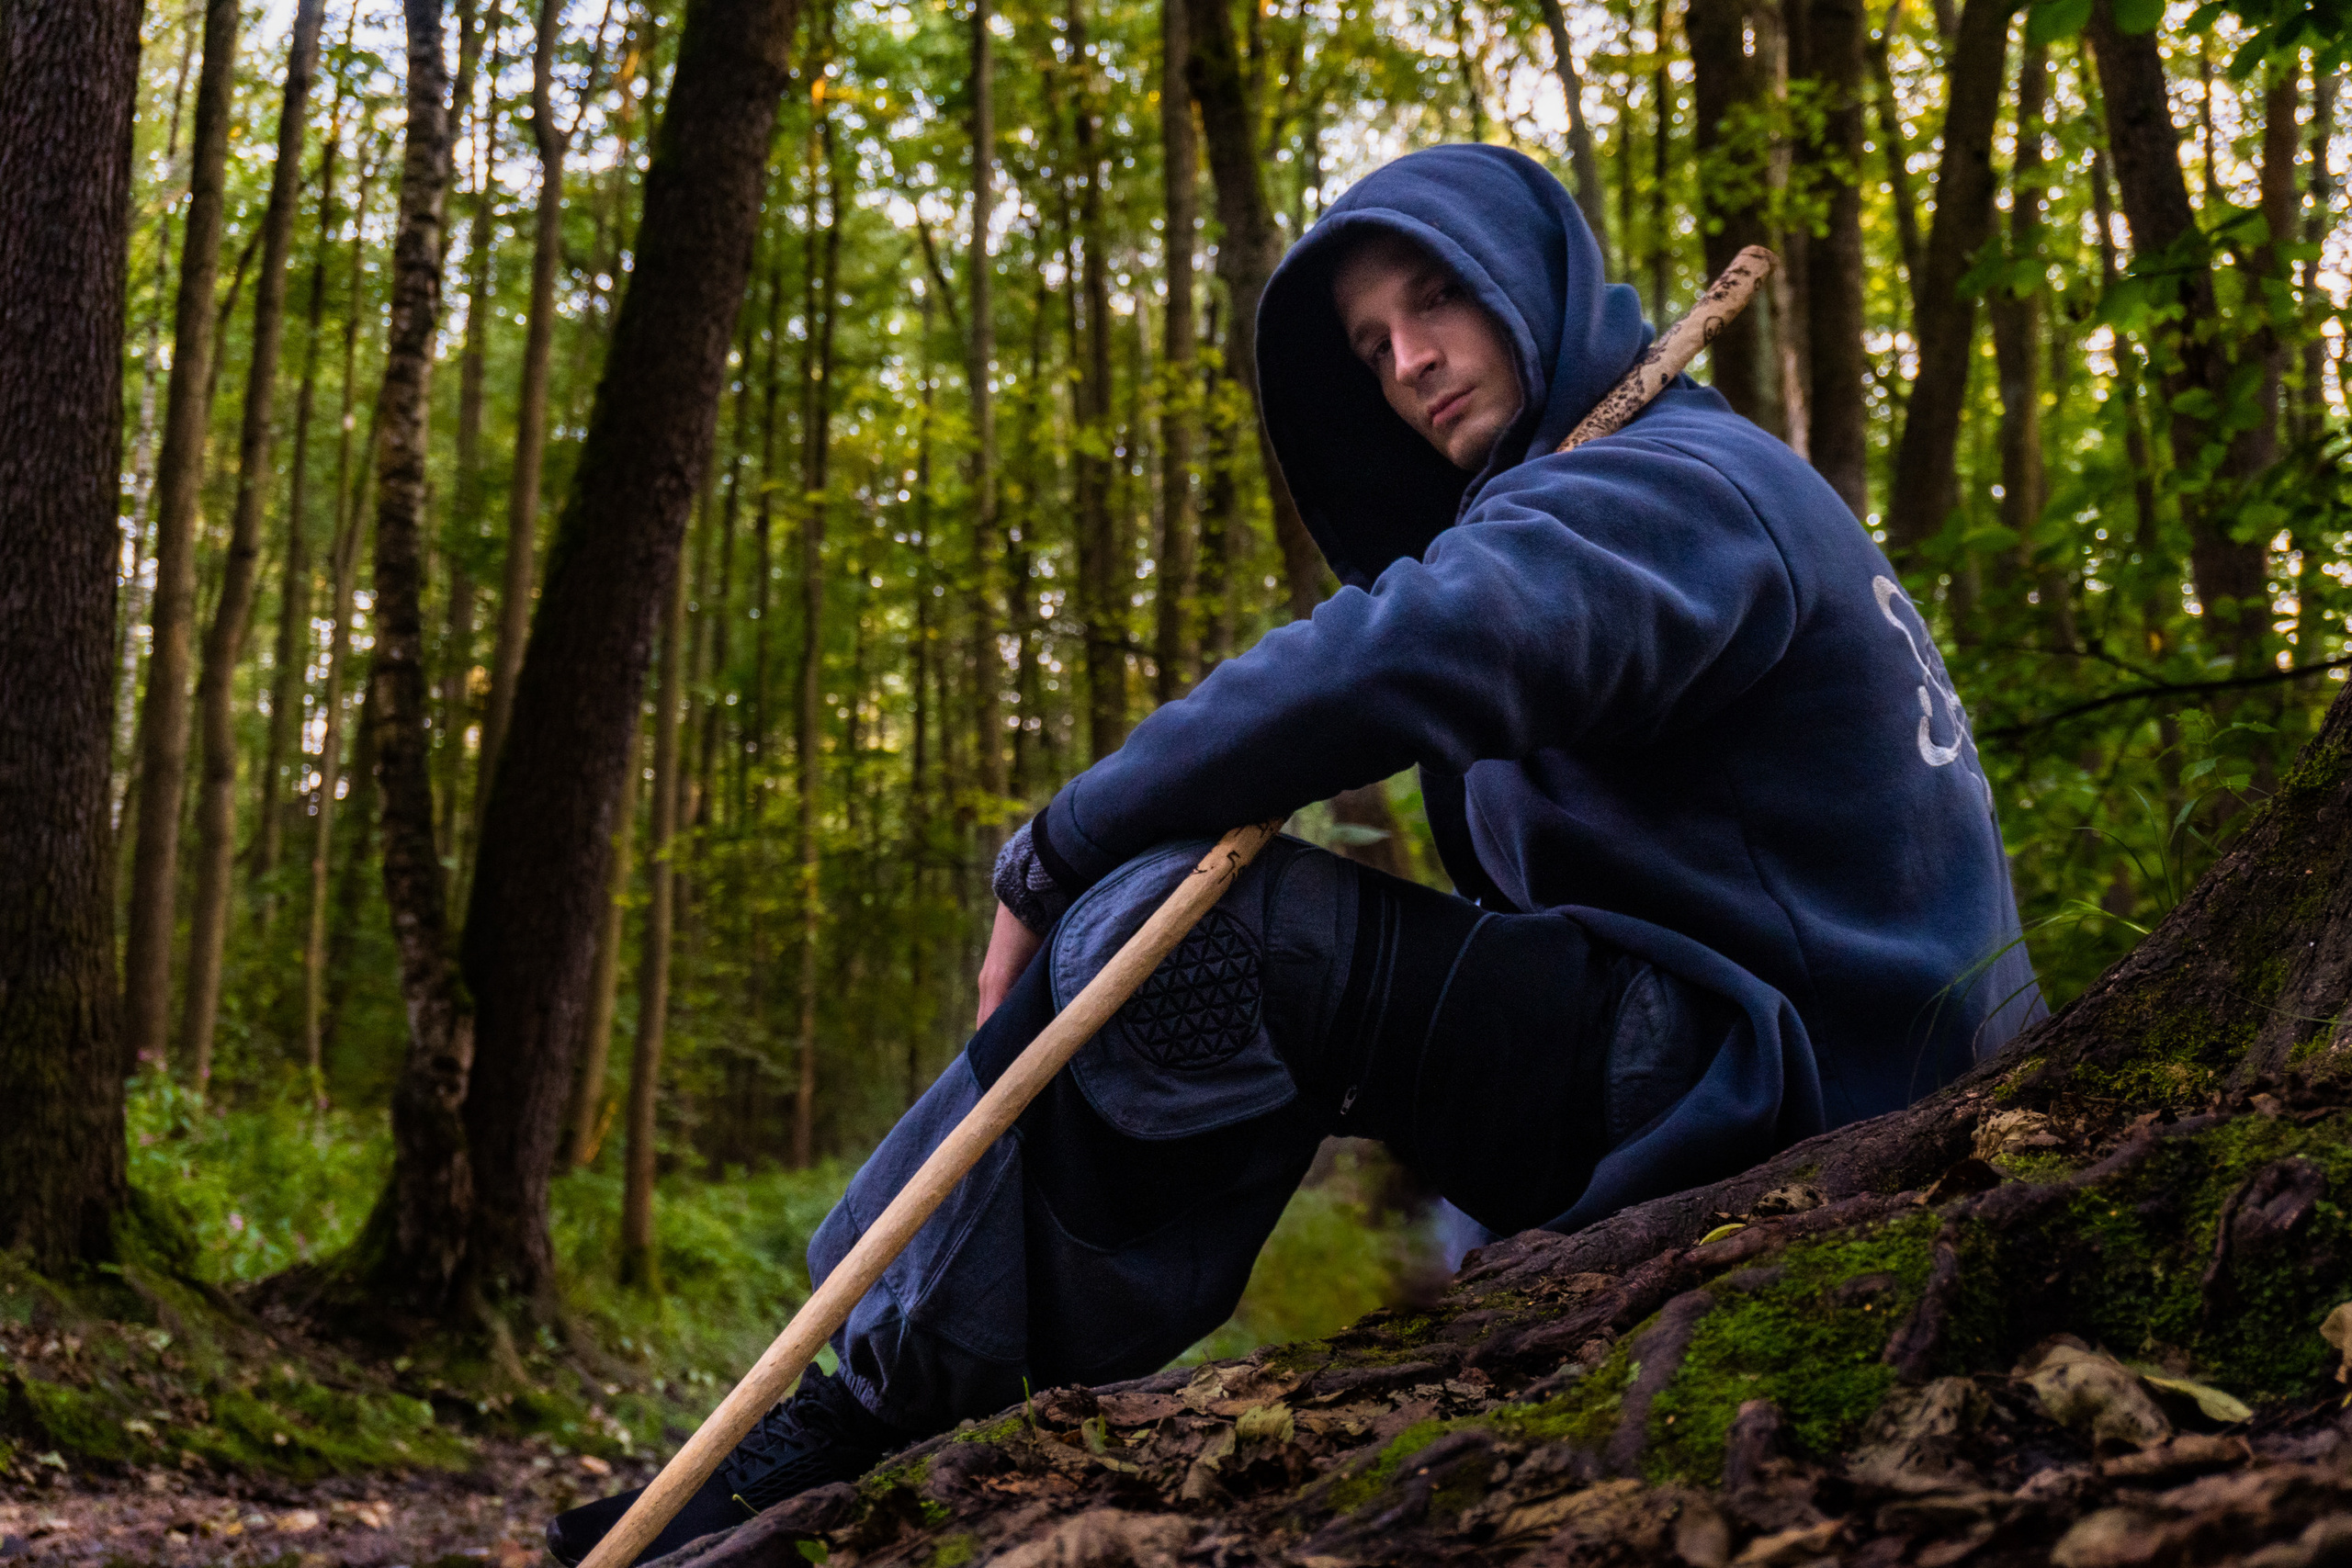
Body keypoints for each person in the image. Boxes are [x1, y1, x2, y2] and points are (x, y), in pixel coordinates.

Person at [547, 141, 2042, 1566]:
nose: (1411, 360)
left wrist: (1059, 844)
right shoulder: (1639, 488)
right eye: (1372, 342)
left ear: (1536, 286)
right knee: (1176, 945)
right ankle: (842, 1389)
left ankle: (861, 1423)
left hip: (1800, 1086)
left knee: (1195, 930)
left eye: (1440, 298)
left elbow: (1413, 654)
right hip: (1752, 1055)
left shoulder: (1674, 485)